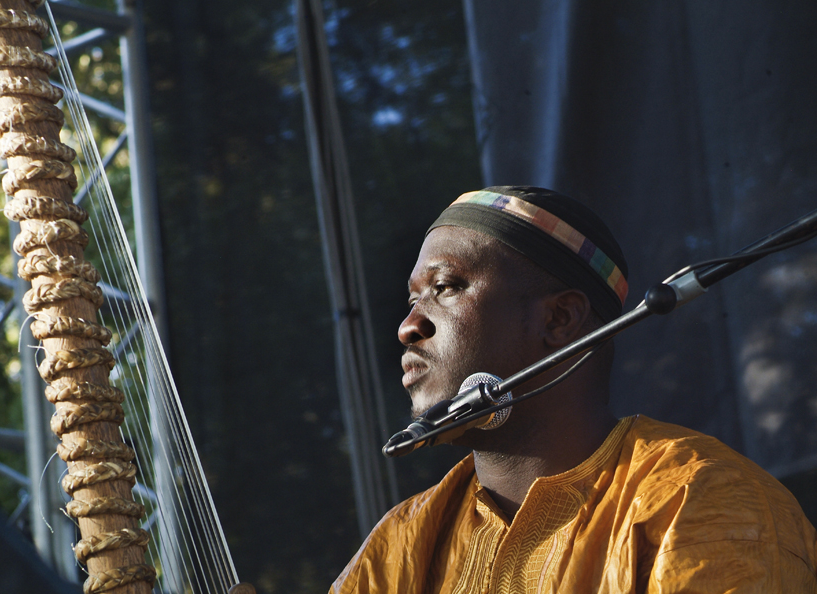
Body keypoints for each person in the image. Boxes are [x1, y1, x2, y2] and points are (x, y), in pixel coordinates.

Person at [330, 186, 817, 593]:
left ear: (559, 319)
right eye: (413, 298)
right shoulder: (399, 544)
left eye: (446, 287)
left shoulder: (698, 497)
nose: (408, 326)